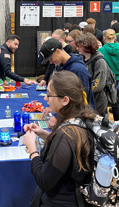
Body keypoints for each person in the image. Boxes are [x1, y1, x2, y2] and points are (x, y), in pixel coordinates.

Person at [23, 70, 95, 207]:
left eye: (49, 95)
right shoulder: (80, 118)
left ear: (65, 100)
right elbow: (68, 151)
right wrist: (42, 133)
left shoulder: (66, 134)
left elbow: (45, 180)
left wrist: (32, 150)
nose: (45, 98)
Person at [39, 38, 95, 128]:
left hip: (81, 121)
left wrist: (58, 116)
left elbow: (80, 102)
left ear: (58, 51)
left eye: (51, 58)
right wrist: (52, 107)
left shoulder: (78, 70)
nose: (51, 62)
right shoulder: (61, 66)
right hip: (70, 118)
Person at [76, 33, 108, 116]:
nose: (77, 48)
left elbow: (98, 85)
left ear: (87, 46)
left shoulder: (100, 62)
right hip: (85, 100)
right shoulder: (82, 59)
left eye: (79, 46)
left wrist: (82, 91)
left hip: (97, 102)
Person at [98, 29, 119, 120]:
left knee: (112, 103)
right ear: (115, 37)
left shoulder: (100, 51)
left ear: (104, 38)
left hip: (109, 81)